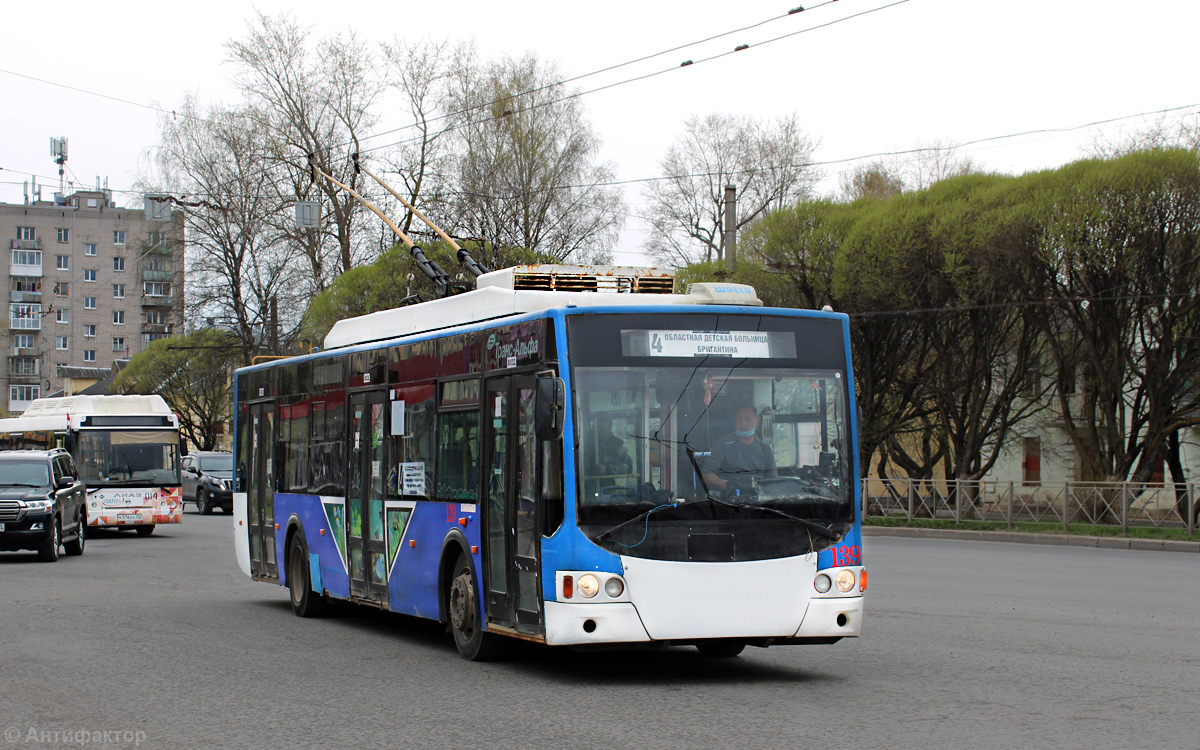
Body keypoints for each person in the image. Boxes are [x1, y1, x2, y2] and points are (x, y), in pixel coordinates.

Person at [703, 405, 776, 493]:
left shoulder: (766, 449)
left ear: (757, 421)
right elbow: (707, 475)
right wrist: (731, 486)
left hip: (759, 499)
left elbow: (773, 482)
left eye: (747, 419)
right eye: (739, 419)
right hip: (729, 498)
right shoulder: (721, 444)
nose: (743, 423)